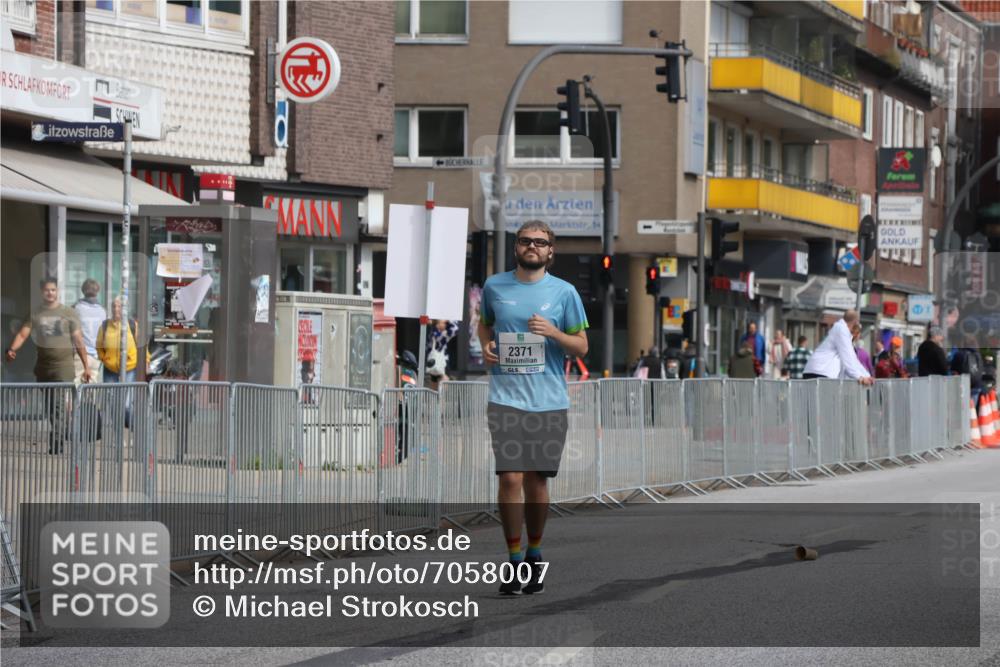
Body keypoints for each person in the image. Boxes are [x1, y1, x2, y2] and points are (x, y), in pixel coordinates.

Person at [478, 220, 589, 596]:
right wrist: (486, 347)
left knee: (536, 480)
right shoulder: (495, 286)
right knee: (510, 477)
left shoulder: (564, 293)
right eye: (525, 241)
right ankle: (512, 560)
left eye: (540, 243)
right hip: (506, 399)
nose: (532, 247)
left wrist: (554, 333)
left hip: (549, 402)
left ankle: (535, 554)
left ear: (550, 251)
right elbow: (484, 325)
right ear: (516, 248)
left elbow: (582, 346)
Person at [5, 277, 93, 453]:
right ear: (42, 292)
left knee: (59, 405)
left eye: (53, 290)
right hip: (43, 368)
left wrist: (86, 367)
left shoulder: (68, 313)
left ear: (57, 291)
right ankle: (59, 433)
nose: (50, 293)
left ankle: (57, 441)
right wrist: (12, 349)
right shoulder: (36, 313)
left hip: (63, 367)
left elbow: (78, 340)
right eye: (47, 290)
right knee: (49, 407)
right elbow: (23, 334)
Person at [801, 310, 873, 385]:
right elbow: (848, 357)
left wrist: (866, 376)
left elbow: (852, 357)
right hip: (821, 373)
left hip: (816, 371)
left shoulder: (840, 329)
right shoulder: (841, 330)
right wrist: (860, 376)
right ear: (855, 322)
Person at [97, 297, 148, 383]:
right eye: (114, 306)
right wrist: (104, 358)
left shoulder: (132, 325)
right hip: (110, 368)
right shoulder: (105, 325)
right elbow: (99, 345)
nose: (116, 309)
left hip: (129, 368)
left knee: (126, 394)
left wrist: (146, 361)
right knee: (110, 396)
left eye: (119, 306)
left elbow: (142, 346)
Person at [73, 278, 106, 384]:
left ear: (83, 291)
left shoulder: (76, 308)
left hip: (80, 355)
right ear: (97, 291)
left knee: (77, 388)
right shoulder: (102, 311)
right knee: (92, 391)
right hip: (96, 356)